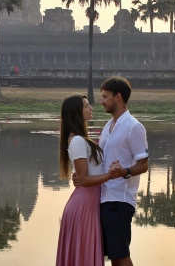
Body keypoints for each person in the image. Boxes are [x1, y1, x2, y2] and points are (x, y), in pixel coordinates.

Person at [74, 76, 149, 266]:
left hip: (120, 199)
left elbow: (144, 164)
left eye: (105, 97)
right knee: (113, 255)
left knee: (120, 254)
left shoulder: (134, 127)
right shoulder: (108, 127)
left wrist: (124, 172)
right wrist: (82, 177)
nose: (101, 101)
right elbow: (102, 161)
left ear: (118, 97)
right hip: (104, 197)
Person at [56, 95, 121, 266]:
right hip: (84, 204)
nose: (91, 108)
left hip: (89, 202)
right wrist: (110, 174)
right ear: (77, 112)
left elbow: (83, 174)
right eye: (86, 106)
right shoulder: (77, 140)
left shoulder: (80, 139)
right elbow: (84, 179)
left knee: (85, 252)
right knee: (84, 254)